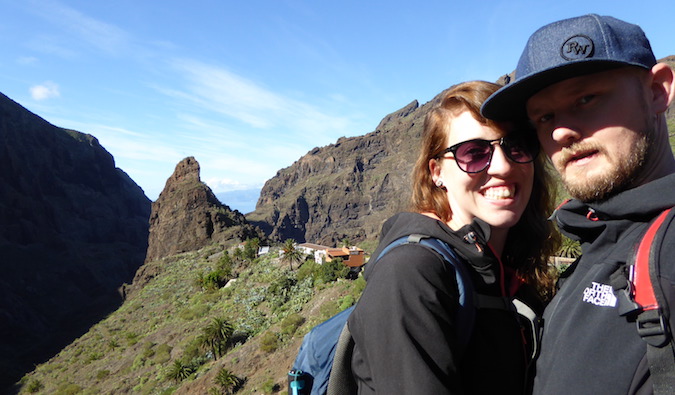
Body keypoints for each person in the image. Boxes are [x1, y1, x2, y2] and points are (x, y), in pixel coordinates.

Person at [481, 14, 675, 395]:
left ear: (657, 91)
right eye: (544, 117)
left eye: (586, 98)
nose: (560, 131)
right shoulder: (598, 237)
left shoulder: (666, 258)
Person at [347, 80, 560, 394]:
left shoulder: (510, 269)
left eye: (517, 144)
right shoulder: (411, 273)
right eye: (473, 153)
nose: (503, 166)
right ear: (437, 172)